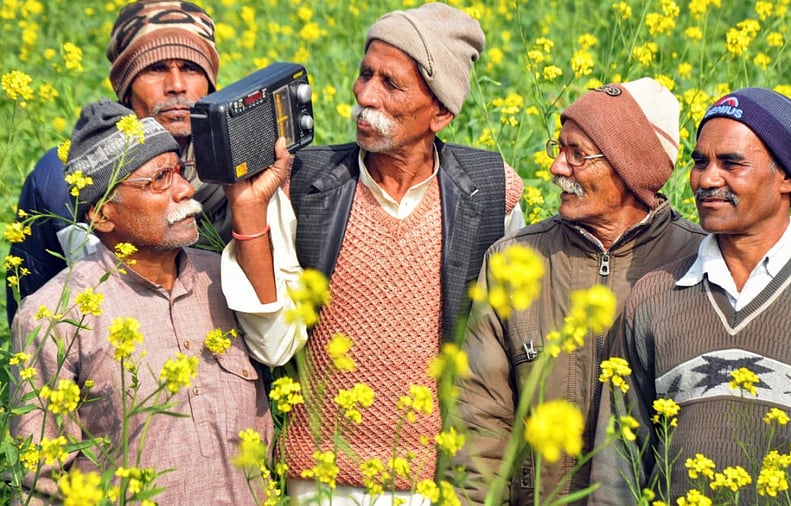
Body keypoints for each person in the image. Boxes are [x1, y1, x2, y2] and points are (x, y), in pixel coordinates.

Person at [221, 3, 524, 502]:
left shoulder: (493, 193)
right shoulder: (307, 185)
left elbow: (506, 348)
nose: (364, 95)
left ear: (441, 113)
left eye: (391, 83)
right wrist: (250, 211)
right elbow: (274, 347)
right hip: (322, 480)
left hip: (440, 483)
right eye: (365, 74)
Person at [589, 88, 791, 505]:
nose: (707, 179)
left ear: (786, 176)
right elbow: (619, 467)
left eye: (731, 163)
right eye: (700, 162)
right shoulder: (655, 297)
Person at [452, 78, 706, 504]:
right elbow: (481, 420)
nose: (556, 169)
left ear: (632, 169)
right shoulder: (514, 259)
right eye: (559, 149)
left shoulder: (698, 263)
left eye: (578, 155)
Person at [10, 99, 273, 504]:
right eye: (159, 180)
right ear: (102, 216)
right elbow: (41, 485)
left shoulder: (226, 278)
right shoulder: (56, 317)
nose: (185, 190)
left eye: (179, 173)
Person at [6, 0, 229, 325]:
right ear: (124, 86)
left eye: (192, 68)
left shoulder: (244, 166)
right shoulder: (63, 176)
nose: (177, 85)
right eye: (156, 69)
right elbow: (33, 315)